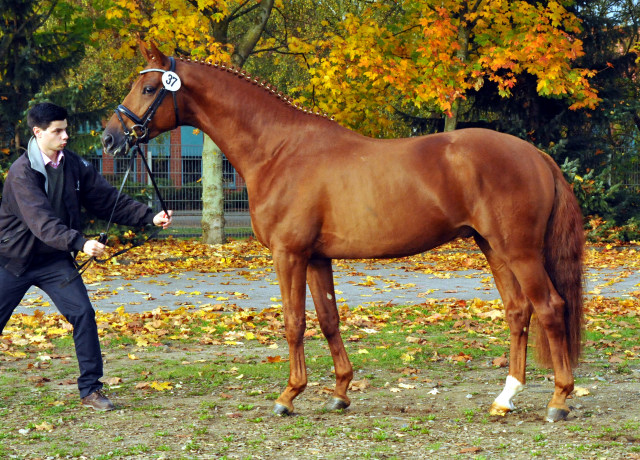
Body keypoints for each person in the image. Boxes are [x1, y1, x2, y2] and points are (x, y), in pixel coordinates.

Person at [0, 102, 172, 411]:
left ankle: (90, 390)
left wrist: (149, 216)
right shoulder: (21, 174)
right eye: (58, 131)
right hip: (14, 260)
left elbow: (107, 201)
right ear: (38, 133)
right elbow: (41, 222)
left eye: (66, 129)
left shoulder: (74, 165)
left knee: (83, 314)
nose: (65, 136)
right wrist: (80, 243)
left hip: (54, 261)